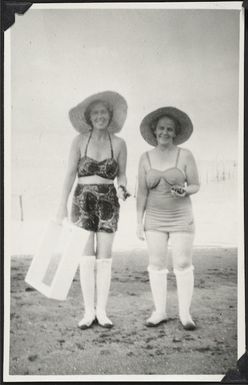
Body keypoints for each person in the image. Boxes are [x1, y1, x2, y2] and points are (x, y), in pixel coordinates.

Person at [56, 90, 129, 329]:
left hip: (109, 201)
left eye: (104, 112)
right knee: (86, 257)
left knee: (104, 257)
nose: (100, 116)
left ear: (110, 115)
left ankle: (103, 311)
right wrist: (60, 206)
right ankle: (88, 312)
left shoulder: (119, 143)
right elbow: (69, 174)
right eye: (95, 113)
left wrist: (124, 188)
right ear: (89, 117)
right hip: (81, 201)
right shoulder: (79, 141)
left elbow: (122, 175)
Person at [136, 106, 200, 330]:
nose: (165, 132)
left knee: (182, 263)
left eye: (169, 129)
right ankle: (160, 311)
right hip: (154, 217)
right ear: (154, 130)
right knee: (156, 263)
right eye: (161, 128)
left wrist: (186, 191)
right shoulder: (145, 158)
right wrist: (138, 222)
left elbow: (195, 184)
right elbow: (142, 192)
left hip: (181, 215)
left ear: (175, 132)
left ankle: (185, 314)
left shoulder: (185, 155)